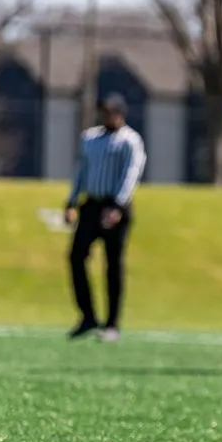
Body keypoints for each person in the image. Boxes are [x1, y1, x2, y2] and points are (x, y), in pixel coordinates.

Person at [65, 93, 147, 343]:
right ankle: (88, 315)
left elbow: (131, 173)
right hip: (91, 204)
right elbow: (82, 169)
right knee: (76, 257)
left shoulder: (130, 141)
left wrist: (118, 206)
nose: (108, 116)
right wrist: (71, 201)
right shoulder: (90, 138)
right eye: (105, 111)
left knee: (113, 265)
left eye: (112, 112)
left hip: (114, 206)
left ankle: (112, 324)